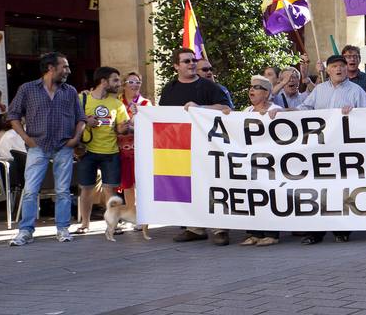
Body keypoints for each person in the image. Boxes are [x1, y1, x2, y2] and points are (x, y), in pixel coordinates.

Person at [271, 55, 366, 245]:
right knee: (318, 190)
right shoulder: (319, 91)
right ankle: (315, 232)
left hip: (343, 149)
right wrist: (283, 112)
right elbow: (304, 109)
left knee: (341, 190)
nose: (339, 69)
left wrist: (355, 114)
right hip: (319, 150)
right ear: (328, 70)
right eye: (334, 66)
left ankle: (342, 230)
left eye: (341, 66)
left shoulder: (357, 92)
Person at [6, 52, 86, 245]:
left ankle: (63, 229)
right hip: (37, 146)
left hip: (64, 146)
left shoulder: (69, 91)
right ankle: (25, 231)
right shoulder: (28, 89)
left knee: (63, 190)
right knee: (31, 190)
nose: (68, 70)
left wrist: (75, 138)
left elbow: (81, 118)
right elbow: (12, 115)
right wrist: (26, 137)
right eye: (64, 67)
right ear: (51, 68)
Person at [159, 47, 233, 245]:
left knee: (212, 186)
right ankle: (195, 227)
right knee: (188, 187)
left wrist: (200, 109)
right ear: (176, 66)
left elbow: (226, 109)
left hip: (209, 148)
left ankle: (219, 228)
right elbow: (162, 117)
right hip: (181, 148)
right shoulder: (170, 89)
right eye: (186, 61)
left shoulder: (209, 87)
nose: (191, 64)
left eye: (193, 60)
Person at [76, 67, 130, 233]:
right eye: (115, 80)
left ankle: (111, 224)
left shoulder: (117, 104)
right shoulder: (81, 98)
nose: (119, 84)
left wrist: (123, 128)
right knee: (86, 189)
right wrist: (86, 120)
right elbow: (70, 118)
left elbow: (122, 129)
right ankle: (85, 224)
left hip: (110, 152)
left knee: (110, 189)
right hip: (87, 151)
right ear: (103, 81)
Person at [241, 76, 280, 247]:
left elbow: (295, 114)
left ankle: (272, 234)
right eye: (251, 87)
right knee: (253, 198)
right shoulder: (246, 111)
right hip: (251, 163)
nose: (252, 90)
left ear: (266, 93)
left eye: (257, 87)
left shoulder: (276, 109)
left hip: (272, 163)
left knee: (270, 197)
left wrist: (282, 114)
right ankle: (255, 233)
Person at [117, 71, 151, 211]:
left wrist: (132, 124)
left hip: (140, 150)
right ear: (123, 85)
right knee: (127, 184)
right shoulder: (117, 102)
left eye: (138, 82)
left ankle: (142, 214)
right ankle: (131, 213)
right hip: (121, 150)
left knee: (141, 184)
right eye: (131, 82)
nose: (135, 85)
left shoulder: (145, 103)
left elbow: (150, 125)